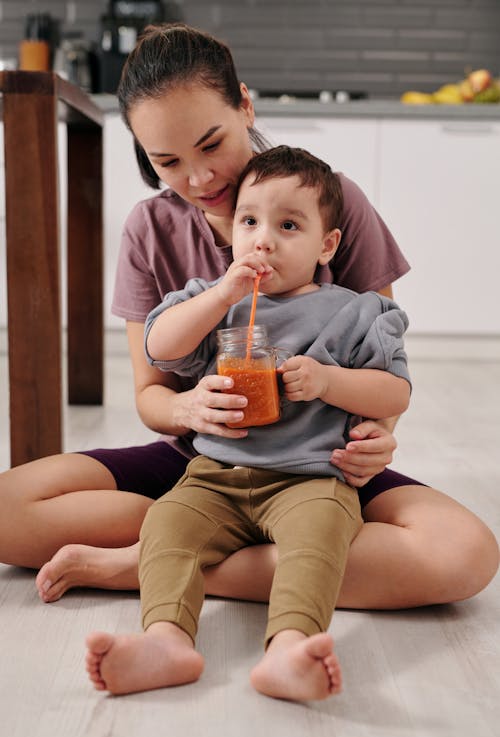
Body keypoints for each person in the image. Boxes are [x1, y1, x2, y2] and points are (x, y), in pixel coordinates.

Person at [0, 23, 497, 609]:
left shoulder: (332, 202)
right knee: (8, 510)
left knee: (465, 552)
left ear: (244, 104)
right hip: (205, 463)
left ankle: (150, 564)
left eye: (212, 145)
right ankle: (191, 540)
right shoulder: (149, 229)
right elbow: (150, 394)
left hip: (319, 469)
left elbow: (385, 363)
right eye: (168, 162)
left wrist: (376, 439)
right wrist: (187, 407)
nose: (200, 178)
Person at [85, 146, 411, 699]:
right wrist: (222, 294)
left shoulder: (354, 312)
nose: (264, 240)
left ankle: (289, 648)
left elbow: (394, 388)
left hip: (312, 479)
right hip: (215, 474)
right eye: (250, 221)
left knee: (317, 543)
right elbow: (159, 345)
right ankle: (166, 641)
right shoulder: (217, 303)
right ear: (231, 230)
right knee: (167, 529)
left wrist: (330, 381)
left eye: (288, 225)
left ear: (326, 244)